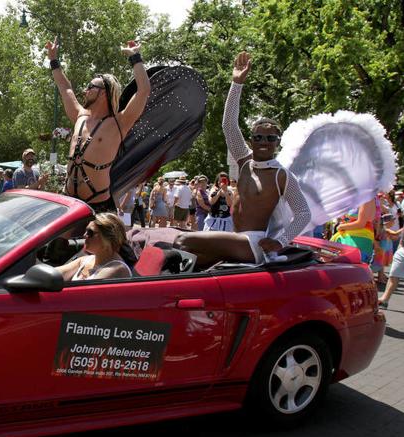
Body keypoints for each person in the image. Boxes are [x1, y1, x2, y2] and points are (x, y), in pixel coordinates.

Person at [174, 52, 311, 266]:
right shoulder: (244, 161)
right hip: (235, 238)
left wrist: (280, 241)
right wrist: (236, 83)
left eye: (270, 138)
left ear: (277, 142)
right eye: (258, 137)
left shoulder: (280, 175)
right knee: (191, 263)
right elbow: (229, 125)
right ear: (251, 140)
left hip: (254, 244)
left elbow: (303, 212)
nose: (264, 141)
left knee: (183, 240)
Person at [47, 37, 150, 213]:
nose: (84, 91)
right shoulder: (79, 116)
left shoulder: (119, 123)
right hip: (69, 203)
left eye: (90, 87)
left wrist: (135, 57)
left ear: (104, 93)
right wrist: (53, 59)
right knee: (56, 242)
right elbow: (65, 88)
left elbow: (143, 91)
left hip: (99, 207)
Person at [55, 212, 132, 281]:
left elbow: (83, 293)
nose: (84, 235)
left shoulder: (117, 269)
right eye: (86, 231)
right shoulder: (84, 260)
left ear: (108, 238)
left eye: (90, 232)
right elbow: (55, 275)